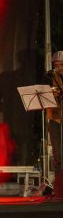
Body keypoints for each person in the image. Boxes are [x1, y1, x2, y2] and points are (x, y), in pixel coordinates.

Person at [46, 51, 63, 197]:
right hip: (55, 119)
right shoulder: (49, 77)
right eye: (55, 64)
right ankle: (58, 189)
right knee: (57, 155)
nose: (58, 67)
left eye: (61, 64)